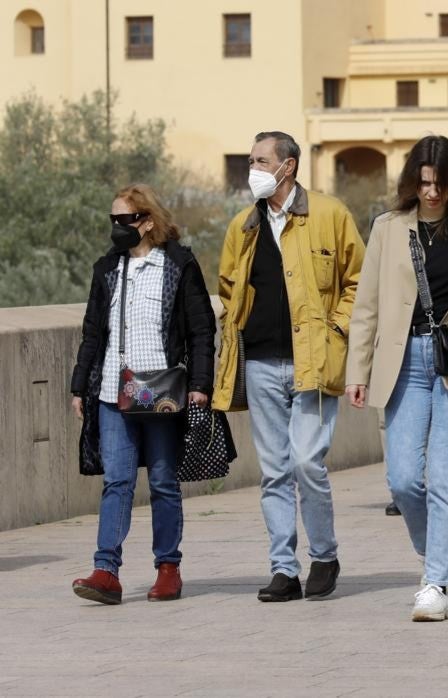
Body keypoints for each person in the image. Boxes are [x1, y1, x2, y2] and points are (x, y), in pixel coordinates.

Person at [214, 131, 365, 602]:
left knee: (306, 463)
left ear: (289, 166)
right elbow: (227, 289)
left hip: (314, 362)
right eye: (251, 162)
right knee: (275, 470)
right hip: (259, 362)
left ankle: (324, 555)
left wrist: (337, 330)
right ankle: (283, 568)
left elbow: (358, 281)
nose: (252, 171)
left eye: (261, 161)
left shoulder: (330, 214)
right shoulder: (244, 225)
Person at [344, 136, 448, 621]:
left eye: (441, 184)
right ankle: (435, 555)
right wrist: (357, 370)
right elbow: (366, 306)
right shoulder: (388, 228)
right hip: (402, 361)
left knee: (445, 475)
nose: (432, 193)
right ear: (412, 182)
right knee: (404, 479)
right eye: (424, 183)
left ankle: (436, 584)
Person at [68, 184, 215, 605]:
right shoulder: (107, 269)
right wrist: (80, 386)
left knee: (165, 482)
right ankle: (106, 571)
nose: (118, 228)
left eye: (125, 220)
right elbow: (93, 331)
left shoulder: (178, 265)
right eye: (113, 221)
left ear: (147, 221)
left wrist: (201, 385)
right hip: (114, 391)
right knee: (117, 480)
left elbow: (201, 330)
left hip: (162, 391)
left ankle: (168, 568)